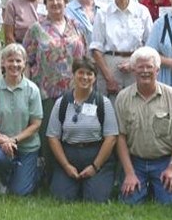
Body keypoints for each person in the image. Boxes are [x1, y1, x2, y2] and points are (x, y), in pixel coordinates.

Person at [22, 0, 86, 166]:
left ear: (65, 1)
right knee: (50, 134)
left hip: (75, 90)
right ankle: (48, 172)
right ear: (45, 3)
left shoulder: (76, 26)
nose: (56, 3)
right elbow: (27, 59)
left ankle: (71, 170)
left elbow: (85, 56)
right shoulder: (36, 28)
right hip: (46, 90)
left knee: (72, 131)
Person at [116, 47, 172, 206]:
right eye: (140, 67)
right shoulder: (123, 98)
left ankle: (157, 186)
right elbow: (120, 137)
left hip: (164, 161)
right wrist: (129, 173)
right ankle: (143, 186)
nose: (145, 71)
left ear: (157, 70)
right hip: (136, 162)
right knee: (128, 203)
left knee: (171, 204)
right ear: (133, 70)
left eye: (149, 67)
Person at [46, 57, 118, 203]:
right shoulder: (62, 102)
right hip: (69, 156)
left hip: (96, 156)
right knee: (60, 198)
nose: (85, 77)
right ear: (73, 74)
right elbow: (52, 137)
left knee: (95, 199)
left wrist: (94, 166)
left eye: (89, 74)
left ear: (95, 78)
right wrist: (66, 166)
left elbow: (111, 138)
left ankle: (92, 183)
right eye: (81, 73)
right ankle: (72, 183)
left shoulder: (103, 102)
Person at [0, 44, 43, 196]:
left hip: (26, 146)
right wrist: (2, 141)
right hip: (0, 144)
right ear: (3, 62)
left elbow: (36, 124)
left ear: (24, 63)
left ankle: (34, 170)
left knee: (20, 192)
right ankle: (5, 178)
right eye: (10, 60)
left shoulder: (32, 90)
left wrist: (14, 141)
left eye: (19, 61)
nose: (14, 65)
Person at [90, 0, 153, 103]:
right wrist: (108, 77)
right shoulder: (102, 13)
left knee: (137, 107)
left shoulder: (142, 12)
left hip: (137, 66)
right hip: (110, 67)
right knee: (111, 110)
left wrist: (134, 64)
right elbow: (96, 49)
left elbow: (150, 45)